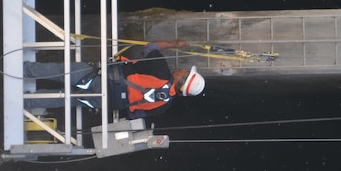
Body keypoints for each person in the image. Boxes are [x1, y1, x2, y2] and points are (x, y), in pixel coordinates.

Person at [23, 40, 205, 119]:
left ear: (183, 79)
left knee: (63, 72)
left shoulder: (161, 71)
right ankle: (28, 100)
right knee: (67, 98)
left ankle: (25, 70)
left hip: (104, 79)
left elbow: (150, 48)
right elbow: (135, 113)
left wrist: (172, 44)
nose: (182, 69)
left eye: (185, 72)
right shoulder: (165, 105)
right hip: (106, 100)